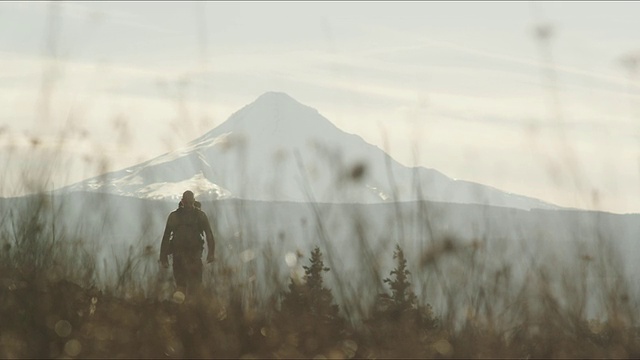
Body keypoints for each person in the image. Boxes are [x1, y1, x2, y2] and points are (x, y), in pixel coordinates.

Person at [160, 191, 215, 297]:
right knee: (181, 286)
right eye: (187, 202)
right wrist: (163, 257)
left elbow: (209, 235)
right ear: (182, 201)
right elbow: (166, 237)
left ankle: (192, 308)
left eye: (191, 202)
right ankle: (182, 309)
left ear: (194, 201)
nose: (189, 205)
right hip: (178, 255)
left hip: (194, 255)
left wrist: (211, 253)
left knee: (196, 285)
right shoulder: (174, 216)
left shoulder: (200, 216)